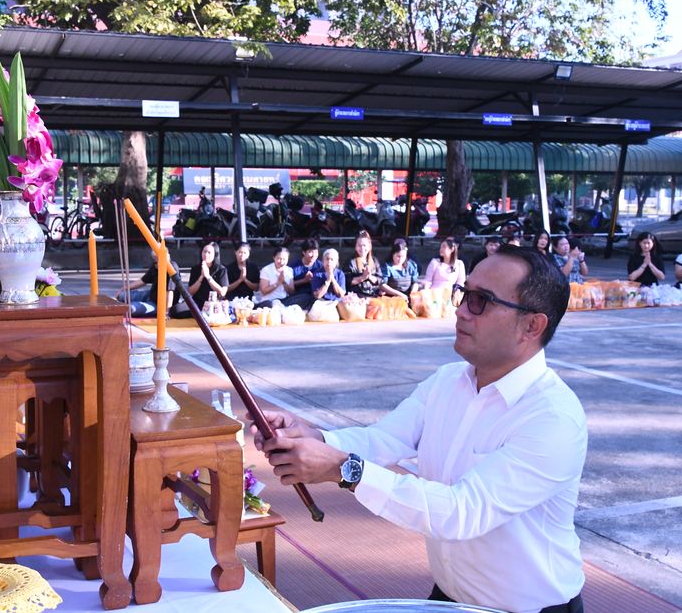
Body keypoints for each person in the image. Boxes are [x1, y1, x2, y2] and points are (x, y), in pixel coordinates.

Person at [250, 246, 586, 613]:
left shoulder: (552, 418)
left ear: (532, 325)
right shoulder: (448, 381)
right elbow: (384, 439)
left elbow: (460, 512)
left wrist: (341, 468)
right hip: (449, 599)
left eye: (480, 301)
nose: (459, 310)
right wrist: (311, 437)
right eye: (463, 294)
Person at [171, 242, 228, 318]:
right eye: (204, 251)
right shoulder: (195, 269)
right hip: (198, 302)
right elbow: (191, 291)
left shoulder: (221, 269)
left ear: (215, 255)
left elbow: (222, 292)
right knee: (176, 310)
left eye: (209, 252)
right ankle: (200, 313)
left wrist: (208, 277)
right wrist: (201, 277)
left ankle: (201, 314)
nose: (206, 254)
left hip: (214, 303)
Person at [124, 251, 178, 317]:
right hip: (151, 295)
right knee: (122, 295)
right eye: (155, 261)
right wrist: (125, 288)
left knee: (132, 308)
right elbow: (143, 281)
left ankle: (128, 306)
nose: (156, 264)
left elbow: (169, 293)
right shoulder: (155, 266)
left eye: (157, 261)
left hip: (160, 305)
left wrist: (166, 312)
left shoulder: (171, 268)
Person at [284, 239, 323, 311]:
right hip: (298, 295)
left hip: (316, 295)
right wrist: (303, 280)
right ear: (303, 252)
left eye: (316, 252)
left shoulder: (320, 265)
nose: (313, 255)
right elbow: (288, 285)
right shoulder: (293, 266)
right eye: (310, 252)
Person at [345, 231, 386, 298]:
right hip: (357, 296)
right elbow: (347, 281)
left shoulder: (374, 260)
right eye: (359, 245)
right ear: (355, 247)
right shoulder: (351, 262)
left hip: (373, 294)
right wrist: (362, 277)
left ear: (369, 246)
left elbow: (380, 280)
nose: (362, 248)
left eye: (364, 245)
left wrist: (369, 276)